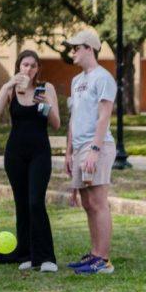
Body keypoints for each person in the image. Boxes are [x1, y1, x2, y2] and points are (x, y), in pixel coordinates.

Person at [0, 50, 61, 272]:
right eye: (24, 65)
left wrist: (46, 103)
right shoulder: (11, 89)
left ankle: (46, 257)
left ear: (38, 68)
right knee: (22, 204)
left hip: (39, 152)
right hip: (15, 154)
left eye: (32, 65)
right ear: (18, 67)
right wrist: (5, 87)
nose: (27, 69)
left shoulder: (46, 88)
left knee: (35, 202)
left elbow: (56, 124)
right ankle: (27, 254)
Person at [64, 28, 117, 274]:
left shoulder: (103, 77)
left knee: (98, 202)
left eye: (76, 47)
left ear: (89, 48)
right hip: (79, 148)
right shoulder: (77, 81)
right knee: (87, 203)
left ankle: (103, 260)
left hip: (98, 146)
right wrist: (69, 151)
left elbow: (104, 115)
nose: (72, 52)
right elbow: (74, 117)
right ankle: (94, 254)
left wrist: (95, 149)